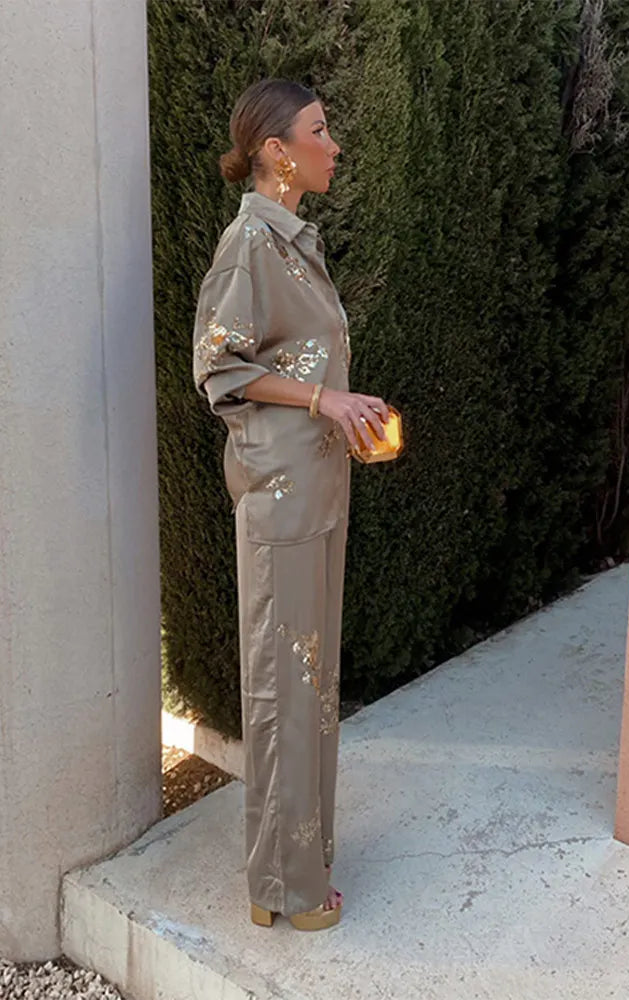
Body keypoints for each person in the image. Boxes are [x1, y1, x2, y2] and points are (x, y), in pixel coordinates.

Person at [192, 78, 389, 931]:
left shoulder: (294, 242)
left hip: (315, 484)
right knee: (285, 685)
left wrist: (342, 409)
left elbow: (299, 356)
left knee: (309, 681)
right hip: (279, 490)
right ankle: (283, 886)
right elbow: (218, 365)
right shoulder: (250, 245)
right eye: (319, 130)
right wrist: (323, 401)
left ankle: (294, 866)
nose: (332, 145)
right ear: (277, 150)